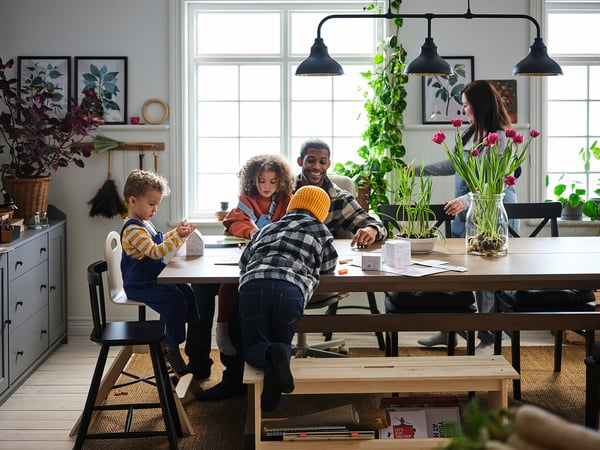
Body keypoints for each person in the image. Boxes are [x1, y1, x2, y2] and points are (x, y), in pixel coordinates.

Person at [195, 139, 387, 401]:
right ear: (300, 161)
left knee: (246, 302)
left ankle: (255, 368)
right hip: (297, 284)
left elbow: (371, 221)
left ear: (329, 164)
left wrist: (372, 229)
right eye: (310, 160)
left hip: (269, 278)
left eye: (322, 161)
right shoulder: (280, 184)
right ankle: (229, 376)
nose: (316, 166)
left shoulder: (338, 198)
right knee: (207, 288)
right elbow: (243, 214)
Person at [414, 80, 517, 353]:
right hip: (466, 215)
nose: (463, 109)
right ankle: (449, 331)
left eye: (467, 104)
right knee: (458, 275)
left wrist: (465, 200)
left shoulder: (501, 138)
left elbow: (498, 185)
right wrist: (418, 170)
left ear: (479, 105)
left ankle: (489, 338)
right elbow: (454, 164)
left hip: (492, 216)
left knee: (486, 280)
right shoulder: (473, 134)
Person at [238, 185, 338, 411]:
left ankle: (269, 358)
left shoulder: (269, 227)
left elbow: (244, 262)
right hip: (291, 289)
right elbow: (329, 265)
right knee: (282, 341)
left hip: (254, 284)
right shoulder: (321, 231)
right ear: (321, 212)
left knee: (254, 345)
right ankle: (279, 355)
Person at [120, 169, 199, 376]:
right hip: (140, 284)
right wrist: (179, 238)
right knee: (173, 299)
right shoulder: (133, 230)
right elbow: (155, 253)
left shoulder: (145, 224)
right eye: (152, 204)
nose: (155, 209)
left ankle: (190, 335)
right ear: (133, 201)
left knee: (186, 290)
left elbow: (160, 240)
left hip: (153, 279)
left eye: (157, 204)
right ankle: (171, 347)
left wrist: (176, 232)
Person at [216, 154, 294, 356]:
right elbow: (234, 221)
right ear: (252, 180)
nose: (266, 186)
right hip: (250, 253)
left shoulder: (288, 201)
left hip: (278, 258)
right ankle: (222, 327)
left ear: (281, 181)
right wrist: (250, 231)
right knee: (231, 281)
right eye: (261, 181)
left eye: (272, 181)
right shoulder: (247, 200)